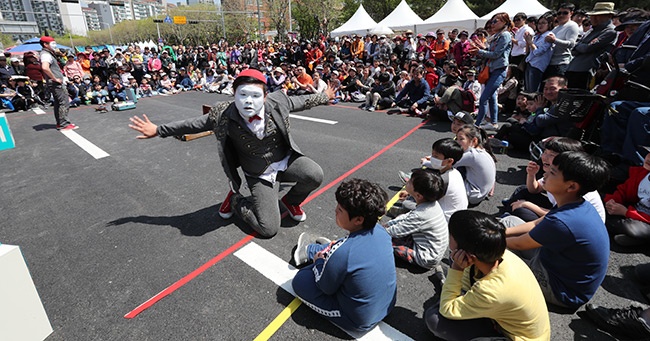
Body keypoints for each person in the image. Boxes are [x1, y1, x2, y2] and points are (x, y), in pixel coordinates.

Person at [128, 69, 334, 238]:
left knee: (314, 174)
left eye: (255, 96)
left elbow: (304, 102)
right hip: (258, 173)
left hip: (285, 162)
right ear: (233, 94)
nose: (248, 102)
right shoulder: (223, 114)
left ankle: (291, 201)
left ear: (265, 96)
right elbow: (192, 124)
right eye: (242, 95)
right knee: (268, 229)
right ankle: (236, 201)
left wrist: (324, 96)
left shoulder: (278, 103)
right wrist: (158, 130)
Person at [502, 151, 610, 309]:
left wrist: (487, 238)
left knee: (494, 254)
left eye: (552, 172)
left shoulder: (563, 220)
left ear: (571, 186)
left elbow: (519, 244)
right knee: (508, 222)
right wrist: (500, 232)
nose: (545, 173)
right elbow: (536, 223)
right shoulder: (577, 203)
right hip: (554, 264)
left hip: (561, 290)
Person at [424, 210, 551, 341]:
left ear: (470, 255)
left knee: (435, 319)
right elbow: (466, 285)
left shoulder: (491, 290)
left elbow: (447, 309)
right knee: (454, 261)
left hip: (518, 337)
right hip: (511, 317)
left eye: (451, 235)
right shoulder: (498, 254)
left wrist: (456, 270)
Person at [291, 178, 397, 332]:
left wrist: (319, 263)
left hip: (357, 320)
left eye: (340, 210)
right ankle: (318, 251)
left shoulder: (345, 253)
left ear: (358, 219)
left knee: (300, 281)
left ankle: (317, 254)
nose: (335, 210)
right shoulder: (382, 232)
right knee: (343, 247)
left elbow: (325, 287)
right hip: (387, 305)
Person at [502, 137, 606, 222]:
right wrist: (531, 175)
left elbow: (564, 216)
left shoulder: (577, 187)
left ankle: (510, 212)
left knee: (521, 210)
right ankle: (509, 211)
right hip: (559, 212)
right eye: (545, 152)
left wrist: (527, 205)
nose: (544, 157)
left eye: (551, 155)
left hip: (570, 225)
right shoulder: (558, 174)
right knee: (522, 190)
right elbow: (534, 189)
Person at [383, 169, 448, 271]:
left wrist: (380, 230)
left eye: (409, 182)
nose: (407, 181)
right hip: (433, 249)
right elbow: (408, 217)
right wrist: (390, 223)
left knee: (384, 241)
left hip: (425, 258)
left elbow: (395, 231)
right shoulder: (431, 204)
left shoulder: (421, 215)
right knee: (394, 229)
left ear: (418, 195)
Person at [469, 12, 513, 130]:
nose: (492, 24)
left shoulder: (505, 35)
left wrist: (479, 51)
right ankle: (493, 123)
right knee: (492, 97)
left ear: (504, 22)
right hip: (492, 69)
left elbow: (496, 54)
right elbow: (491, 52)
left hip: (499, 70)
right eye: (492, 21)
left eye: (495, 21)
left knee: (484, 98)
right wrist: (481, 50)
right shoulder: (497, 36)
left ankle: (477, 124)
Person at [603, 149, 650, 246]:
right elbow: (623, 190)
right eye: (649, 154)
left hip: (644, 221)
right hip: (633, 211)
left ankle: (641, 240)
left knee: (633, 229)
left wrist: (626, 212)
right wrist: (612, 201)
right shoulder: (642, 173)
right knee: (599, 203)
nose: (649, 158)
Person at [565, 2, 617, 89]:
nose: (593, 18)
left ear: (609, 16)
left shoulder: (609, 32)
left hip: (587, 70)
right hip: (574, 68)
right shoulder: (591, 31)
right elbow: (575, 48)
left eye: (598, 15)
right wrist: (581, 46)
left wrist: (580, 46)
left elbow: (587, 48)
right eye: (593, 15)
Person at [40, 36, 77, 130]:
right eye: (52, 43)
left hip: (54, 82)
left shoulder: (49, 53)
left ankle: (60, 123)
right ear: (45, 44)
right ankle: (64, 124)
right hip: (55, 82)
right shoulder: (45, 54)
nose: (55, 45)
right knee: (64, 101)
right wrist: (55, 78)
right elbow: (45, 67)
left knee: (58, 102)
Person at [455, 124, 497, 205]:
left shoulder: (472, 155)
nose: (457, 142)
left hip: (472, 195)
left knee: (448, 171)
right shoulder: (483, 151)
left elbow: (445, 163)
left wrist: (427, 161)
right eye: (457, 139)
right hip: (482, 193)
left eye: (461, 139)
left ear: (474, 141)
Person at [544, 3, 580, 78]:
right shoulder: (556, 28)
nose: (561, 15)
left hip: (561, 63)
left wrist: (554, 40)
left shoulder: (572, 25)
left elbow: (571, 44)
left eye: (565, 13)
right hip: (550, 62)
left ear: (571, 13)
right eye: (559, 13)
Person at [524, 12, 556, 92]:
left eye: (543, 23)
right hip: (530, 63)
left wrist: (530, 42)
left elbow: (538, 52)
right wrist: (528, 41)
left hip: (537, 66)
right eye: (539, 23)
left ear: (549, 24)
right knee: (528, 91)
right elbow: (528, 51)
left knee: (533, 92)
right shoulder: (537, 35)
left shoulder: (548, 35)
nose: (540, 25)